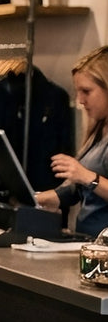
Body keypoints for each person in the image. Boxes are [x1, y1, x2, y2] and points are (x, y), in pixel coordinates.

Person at [36, 46, 108, 238]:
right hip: (89, 243)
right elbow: (82, 190)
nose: (80, 100)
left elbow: (88, 179)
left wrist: (86, 176)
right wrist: (43, 198)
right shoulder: (98, 130)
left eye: (86, 91)